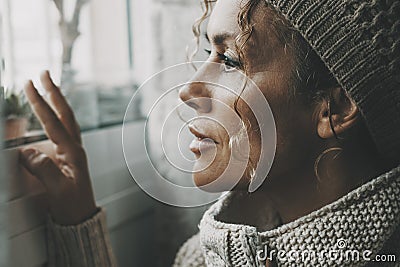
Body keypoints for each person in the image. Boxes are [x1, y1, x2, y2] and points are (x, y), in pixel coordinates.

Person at [19, 0, 399, 266]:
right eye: (208, 56)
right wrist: (78, 216)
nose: (188, 90)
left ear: (335, 107)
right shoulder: (203, 257)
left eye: (231, 60)